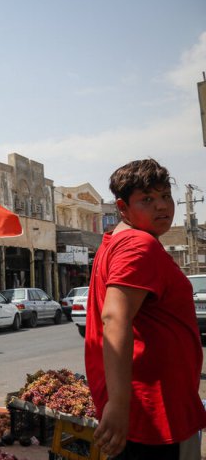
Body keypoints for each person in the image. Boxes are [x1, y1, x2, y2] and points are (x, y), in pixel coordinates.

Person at [85, 159, 206, 459]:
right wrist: (119, 404)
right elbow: (114, 317)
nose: (162, 206)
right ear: (123, 208)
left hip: (151, 411)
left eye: (165, 196)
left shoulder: (118, 241)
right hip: (155, 415)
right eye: (147, 200)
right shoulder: (139, 245)